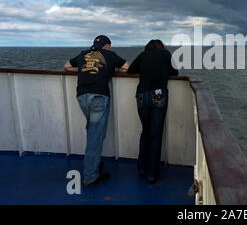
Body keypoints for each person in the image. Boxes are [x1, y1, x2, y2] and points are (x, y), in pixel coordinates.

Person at [64, 35, 129, 187]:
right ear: (107, 46)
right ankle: (90, 176)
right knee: (95, 136)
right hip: (98, 96)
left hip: (82, 96)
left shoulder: (83, 54)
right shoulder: (109, 55)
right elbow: (127, 67)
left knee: (92, 130)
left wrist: (81, 70)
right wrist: (110, 69)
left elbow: (67, 66)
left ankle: (95, 163)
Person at [127, 39, 178, 184]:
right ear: (161, 47)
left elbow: (131, 70)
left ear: (148, 47)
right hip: (158, 94)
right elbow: (174, 72)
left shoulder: (143, 55)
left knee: (145, 131)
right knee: (155, 135)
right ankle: (152, 174)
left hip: (142, 95)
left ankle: (141, 169)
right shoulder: (165, 55)